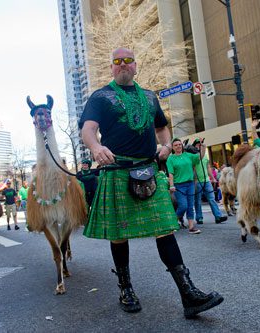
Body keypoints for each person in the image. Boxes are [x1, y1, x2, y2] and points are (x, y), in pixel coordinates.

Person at [79, 47, 223, 318]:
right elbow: (88, 129)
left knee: (164, 230)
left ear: (136, 66)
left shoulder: (149, 96)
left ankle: (188, 293)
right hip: (117, 171)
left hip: (148, 170)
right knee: (119, 235)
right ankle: (126, 288)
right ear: (111, 68)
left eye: (128, 61)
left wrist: (167, 145)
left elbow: (161, 127)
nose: (122, 65)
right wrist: (96, 148)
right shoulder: (100, 96)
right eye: (117, 62)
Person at [167, 138, 203, 234]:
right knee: (183, 206)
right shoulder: (170, 159)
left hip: (190, 184)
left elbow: (200, 157)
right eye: (176, 145)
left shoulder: (188, 155)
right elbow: (171, 173)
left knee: (190, 206)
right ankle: (172, 222)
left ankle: (191, 227)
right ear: (173, 147)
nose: (178, 146)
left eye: (179, 144)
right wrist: (171, 185)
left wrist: (202, 146)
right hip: (179, 185)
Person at [191, 138, 228, 225]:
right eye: (197, 144)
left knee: (212, 199)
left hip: (206, 180)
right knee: (197, 201)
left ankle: (218, 216)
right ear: (194, 146)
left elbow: (208, 167)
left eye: (200, 144)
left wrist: (213, 178)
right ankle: (199, 218)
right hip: (197, 181)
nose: (199, 145)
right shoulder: (193, 156)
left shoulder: (205, 156)